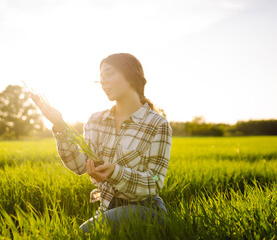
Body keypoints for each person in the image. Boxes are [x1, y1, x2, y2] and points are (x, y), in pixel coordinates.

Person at [30, 53, 172, 234]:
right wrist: (60, 126)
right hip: (107, 209)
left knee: (83, 234)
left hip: (146, 209)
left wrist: (115, 172)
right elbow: (79, 165)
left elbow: (154, 181)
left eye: (109, 74)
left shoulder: (157, 124)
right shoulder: (96, 120)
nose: (103, 82)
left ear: (130, 74)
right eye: (100, 78)